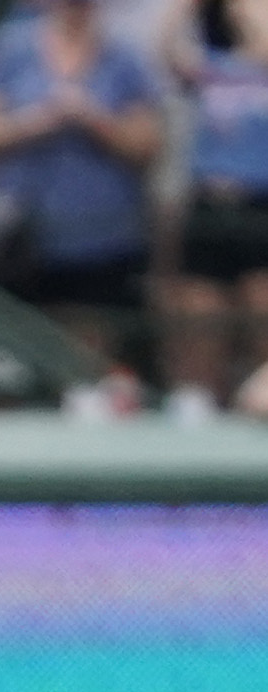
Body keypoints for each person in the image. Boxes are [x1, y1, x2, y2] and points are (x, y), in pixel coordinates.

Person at [0, 0, 165, 394]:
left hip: (101, 239)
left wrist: (93, 119)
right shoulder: (12, 47)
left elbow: (149, 144)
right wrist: (39, 121)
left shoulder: (124, 56)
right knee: (1, 376)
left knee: (92, 369)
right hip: (18, 241)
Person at [174, 0, 268, 408]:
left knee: (259, 319)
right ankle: (202, 406)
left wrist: (251, 14)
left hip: (259, 205)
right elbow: (167, 52)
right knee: (202, 322)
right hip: (209, 204)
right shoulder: (212, 65)